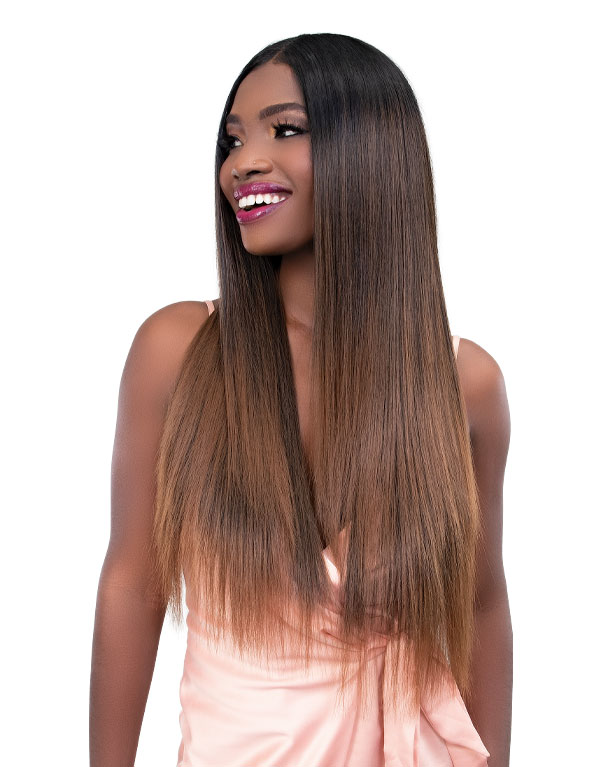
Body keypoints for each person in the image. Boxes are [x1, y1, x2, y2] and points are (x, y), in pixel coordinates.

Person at [90, 33, 512, 767]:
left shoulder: (464, 383)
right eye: (232, 141)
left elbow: (481, 604)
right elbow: (132, 583)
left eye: (284, 130)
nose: (242, 163)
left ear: (371, 150)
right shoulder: (179, 351)